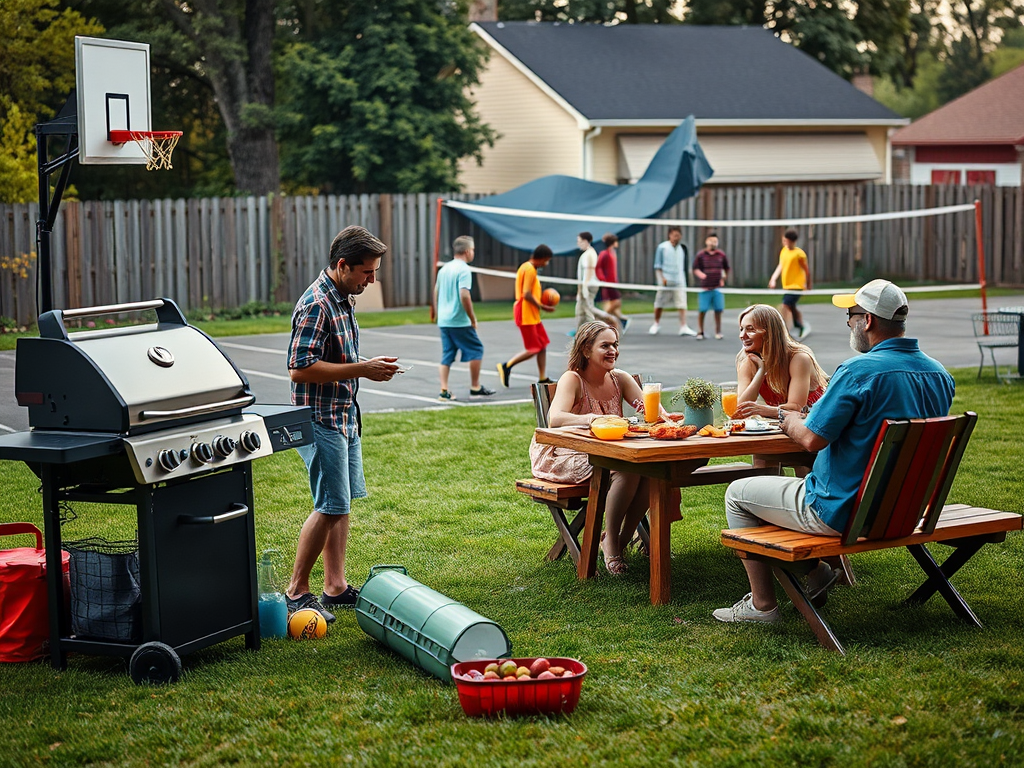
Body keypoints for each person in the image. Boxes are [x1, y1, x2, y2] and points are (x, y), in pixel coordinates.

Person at [713, 280, 955, 625]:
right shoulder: (940, 374)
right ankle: (816, 572)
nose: (847, 322)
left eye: (850, 314)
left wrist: (787, 415)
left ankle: (762, 605)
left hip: (841, 510)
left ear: (867, 321)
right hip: (907, 510)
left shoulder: (857, 372)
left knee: (738, 493)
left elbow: (811, 439)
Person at [286, 225, 400, 621]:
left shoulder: (342, 296)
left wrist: (368, 366)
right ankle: (297, 590)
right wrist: (363, 369)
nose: (373, 280)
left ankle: (334, 586)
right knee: (331, 504)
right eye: (367, 273)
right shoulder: (317, 303)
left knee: (342, 502)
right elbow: (298, 370)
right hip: (320, 420)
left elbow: (335, 356)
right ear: (342, 265)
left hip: (343, 415)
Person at [530, 321, 668, 575]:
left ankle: (617, 540)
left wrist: (656, 415)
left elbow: (658, 414)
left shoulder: (620, 379)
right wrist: (589, 418)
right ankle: (613, 542)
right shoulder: (573, 379)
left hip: (608, 452)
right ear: (585, 350)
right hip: (567, 454)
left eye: (615, 345)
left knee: (652, 470)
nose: (613, 350)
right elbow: (555, 418)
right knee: (625, 470)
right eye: (605, 345)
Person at [732, 304, 828, 420]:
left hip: (818, 424)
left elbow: (796, 408)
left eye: (750, 329)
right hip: (785, 426)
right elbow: (742, 409)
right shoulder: (750, 361)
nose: (742, 335)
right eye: (741, 329)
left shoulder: (798, 358)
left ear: (769, 333)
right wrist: (761, 371)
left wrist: (762, 410)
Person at [435, 235, 495, 402]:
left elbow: (436, 291)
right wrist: (472, 318)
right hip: (458, 320)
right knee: (477, 349)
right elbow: (464, 295)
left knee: (447, 354)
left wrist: (436, 311)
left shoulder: (444, 269)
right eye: (473, 250)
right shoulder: (464, 269)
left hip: (444, 320)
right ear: (468, 251)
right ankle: (475, 387)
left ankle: (444, 390)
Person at [497, 244, 557, 387]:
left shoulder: (527, 267)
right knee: (533, 348)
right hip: (526, 314)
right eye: (546, 260)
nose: (546, 263)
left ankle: (543, 377)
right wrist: (543, 306)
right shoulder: (529, 269)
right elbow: (526, 294)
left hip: (532, 314)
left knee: (542, 344)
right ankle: (507, 366)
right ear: (541, 258)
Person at [650, 226, 697, 336]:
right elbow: (657, 265)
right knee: (659, 302)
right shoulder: (662, 247)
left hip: (679, 279)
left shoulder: (682, 248)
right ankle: (656, 324)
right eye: (674, 235)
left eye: (678, 235)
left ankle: (683, 326)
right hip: (666, 279)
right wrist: (661, 279)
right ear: (670, 235)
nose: (677, 237)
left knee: (682, 303)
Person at [768, 228, 812, 339]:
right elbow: (781, 266)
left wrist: (808, 284)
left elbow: (806, 270)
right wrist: (773, 279)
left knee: (785, 305)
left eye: (786, 241)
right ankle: (799, 325)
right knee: (791, 307)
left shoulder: (799, 254)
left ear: (792, 241)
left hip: (797, 286)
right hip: (787, 285)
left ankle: (783, 331)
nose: (784, 242)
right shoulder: (784, 251)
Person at [574, 232, 619, 332]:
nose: (578, 244)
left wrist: (584, 287)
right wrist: (580, 289)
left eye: (580, 241)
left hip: (589, 285)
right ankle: (579, 332)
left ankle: (608, 320)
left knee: (589, 309)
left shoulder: (590, 254)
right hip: (585, 286)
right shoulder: (586, 254)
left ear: (585, 241)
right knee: (580, 310)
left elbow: (589, 272)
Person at [692, 232, 730, 340]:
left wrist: (723, 279)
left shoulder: (721, 255)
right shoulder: (701, 255)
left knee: (718, 310)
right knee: (703, 309)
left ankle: (718, 331)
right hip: (705, 287)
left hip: (717, 287)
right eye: (711, 240)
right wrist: (701, 275)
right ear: (706, 241)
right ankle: (700, 332)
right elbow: (695, 268)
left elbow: (726, 268)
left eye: (715, 241)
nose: (713, 243)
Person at [596, 233, 628, 333]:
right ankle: (600, 319)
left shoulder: (612, 252)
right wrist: (603, 279)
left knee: (614, 306)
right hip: (608, 284)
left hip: (613, 283)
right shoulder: (604, 254)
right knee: (616, 302)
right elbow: (598, 267)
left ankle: (621, 322)